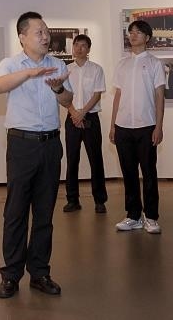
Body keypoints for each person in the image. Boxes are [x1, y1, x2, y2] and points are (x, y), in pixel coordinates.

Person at [0, 11, 72, 300]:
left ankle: (39, 273)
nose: (46, 36)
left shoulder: (57, 65)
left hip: (50, 144)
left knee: (44, 212)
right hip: (21, 145)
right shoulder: (10, 64)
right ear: (22, 36)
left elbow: (68, 100)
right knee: (15, 212)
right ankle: (11, 275)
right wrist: (29, 73)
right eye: (39, 32)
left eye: (47, 31)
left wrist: (59, 87)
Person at [111, 19, 166, 234]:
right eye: (131, 32)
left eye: (138, 32)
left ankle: (151, 216)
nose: (133, 35)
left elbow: (159, 96)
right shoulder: (122, 64)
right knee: (128, 173)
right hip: (123, 126)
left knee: (149, 173)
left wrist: (159, 126)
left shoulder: (154, 63)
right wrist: (113, 125)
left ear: (147, 37)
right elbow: (118, 95)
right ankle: (133, 215)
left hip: (147, 125)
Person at [61, 33, 107, 214]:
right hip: (72, 118)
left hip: (90, 118)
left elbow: (97, 94)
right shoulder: (66, 70)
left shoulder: (96, 69)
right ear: (72, 48)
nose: (79, 48)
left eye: (83, 45)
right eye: (76, 45)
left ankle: (100, 200)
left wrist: (83, 113)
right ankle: (72, 200)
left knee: (96, 159)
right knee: (72, 159)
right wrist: (74, 113)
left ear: (88, 49)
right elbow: (62, 95)